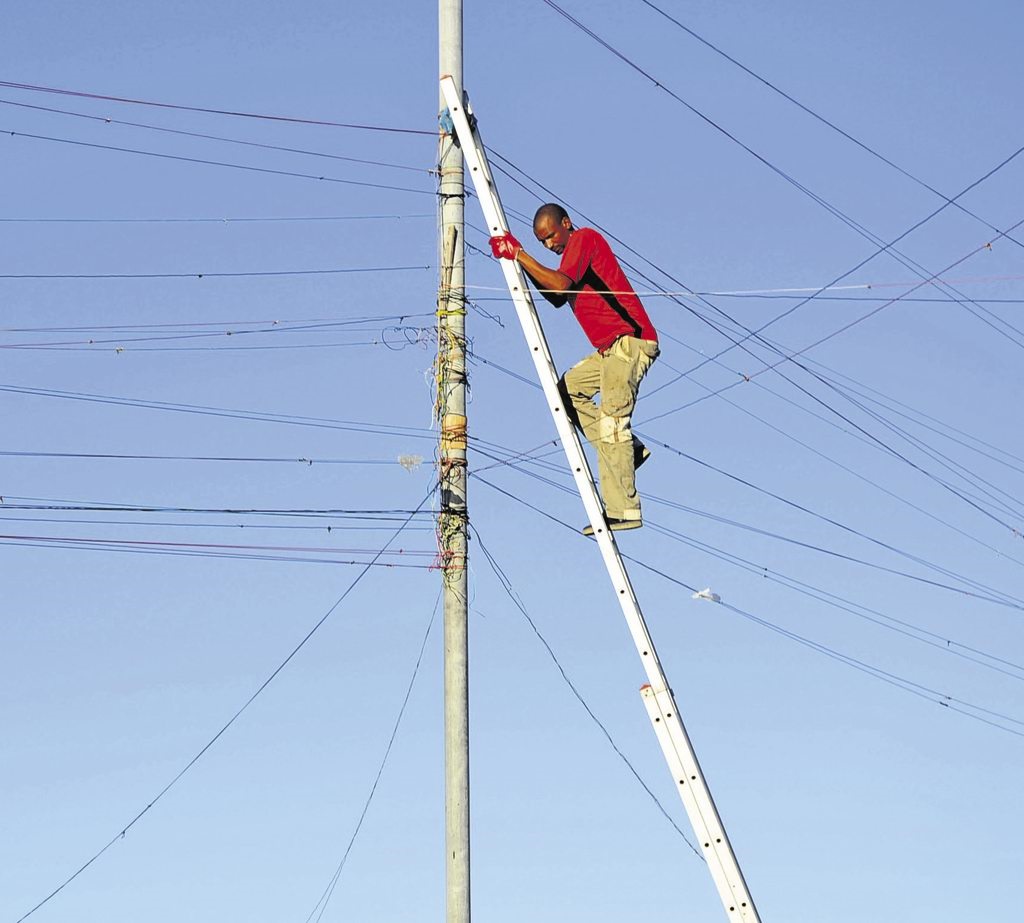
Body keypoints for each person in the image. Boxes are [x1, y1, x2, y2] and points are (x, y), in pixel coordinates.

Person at [490, 204, 659, 534]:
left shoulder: (584, 240)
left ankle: (625, 510)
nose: (549, 245)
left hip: (629, 342)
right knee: (566, 394)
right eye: (542, 242)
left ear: (566, 224)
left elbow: (558, 286)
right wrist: (520, 261)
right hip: (609, 350)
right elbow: (555, 296)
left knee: (612, 425)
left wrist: (520, 255)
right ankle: (630, 451)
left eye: (551, 235)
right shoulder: (571, 259)